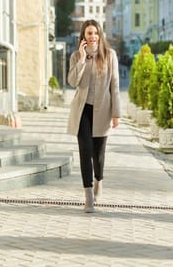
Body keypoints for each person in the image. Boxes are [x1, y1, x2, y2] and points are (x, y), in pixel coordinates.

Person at [67, 19, 121, 213]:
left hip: (103, 111)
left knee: (98, 154)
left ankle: (99, 180)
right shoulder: (76, 56)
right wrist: (82, 58)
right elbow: (72, 81)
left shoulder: (109, 55)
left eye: (95, 33)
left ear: (100, 35)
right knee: (85, 151)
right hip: (82, 111)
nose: (93, 36)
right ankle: (88, 196)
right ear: (83, 36)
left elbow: (114, 86)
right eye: (89, 33)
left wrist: (116, 114)